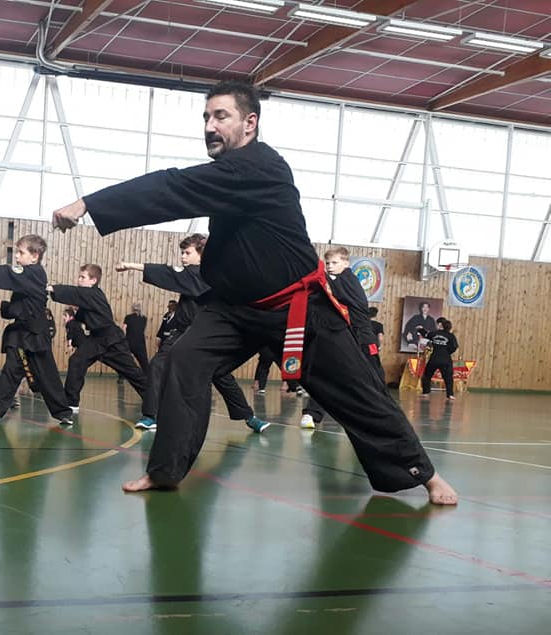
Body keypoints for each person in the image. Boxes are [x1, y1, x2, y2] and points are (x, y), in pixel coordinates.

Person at [51, 79, 457, 505]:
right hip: (234, 312)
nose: (209, 125)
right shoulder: (229, 177)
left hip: (298, 311)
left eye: (220, 116)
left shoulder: (258, 168)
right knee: (183, 363)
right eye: (206, 117)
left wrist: (87, 204)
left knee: (358, 392)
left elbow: (173, 188)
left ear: (250, 122)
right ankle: (165, 471)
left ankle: (424, 475)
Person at [116, 233, 268, 434]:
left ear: (201, 255)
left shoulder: (199, 274)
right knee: (158, 365)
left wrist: (130, 265)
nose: (183, 257)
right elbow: (169, 272)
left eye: (187, 253)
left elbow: (168, 272)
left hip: (205, 335)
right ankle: (151, 415)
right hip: (180, 333)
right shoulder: (192, 275)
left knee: (220, 374)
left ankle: (249, 417)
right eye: (182, 253)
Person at [0, 234, 74, 427]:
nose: (16, 256)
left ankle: (63, 412)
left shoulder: (35, 273)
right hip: (20, 336)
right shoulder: (23, 281)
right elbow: (18, 310)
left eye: (20, 252)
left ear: (35, 256)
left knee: (47, 374)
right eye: (16, 252)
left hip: (36, 335)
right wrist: (5, 307)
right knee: (10, 373)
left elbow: (10, 273)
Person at [299, 247, 384, 430]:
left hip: (363, 338)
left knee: (375, 380)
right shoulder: (337, 280)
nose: (330, 266)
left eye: (335, 263)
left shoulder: (348, 280)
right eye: (328, 263)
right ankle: (311, 414)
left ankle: (382, 417)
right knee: (330, 373)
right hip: (346, 336)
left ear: (346, 263)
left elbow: (327, 285)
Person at [49, 264, 146, 411]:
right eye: (79, 276)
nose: (79, 280)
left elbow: (74, 292)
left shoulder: (94, 293)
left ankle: (155, 401)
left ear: (93, 280)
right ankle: (71, 403)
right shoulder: (87, 298)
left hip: (112, 339)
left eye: (83, 277)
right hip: (95, 340)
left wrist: (52, 288)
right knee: (76, 361)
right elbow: (82, 315)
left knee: (132, 372)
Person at [422, 318, 459, 400]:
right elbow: (455, 347)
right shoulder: (451, 336)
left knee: (427, 375)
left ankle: (425, 392)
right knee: (448, 377)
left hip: (434, 358)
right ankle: (450, 395)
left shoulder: (434, 333)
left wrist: (420, 329)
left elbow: (426, 335)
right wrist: (447, 352)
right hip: (445, 359)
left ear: (440, 325)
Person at [123, 302, 150, 374]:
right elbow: (142, 330)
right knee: (144, 362)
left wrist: (123, 339)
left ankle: (121, 378)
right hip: (140, 343)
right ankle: (148, 377)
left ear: (132, 308)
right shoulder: (144, 318)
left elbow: (124, 329)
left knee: (124, 359)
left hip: (129, 342)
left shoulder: (128, 317)